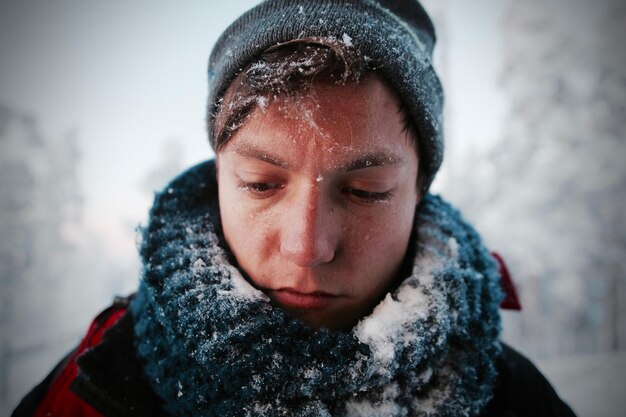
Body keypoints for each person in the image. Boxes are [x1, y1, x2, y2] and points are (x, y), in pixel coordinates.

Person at [13, 1, 577, 416]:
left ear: (418, 193)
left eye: (366, 190)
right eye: (261, 184)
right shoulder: (99, 383)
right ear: (219, 179)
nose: (307, 246)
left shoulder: (513, 398)